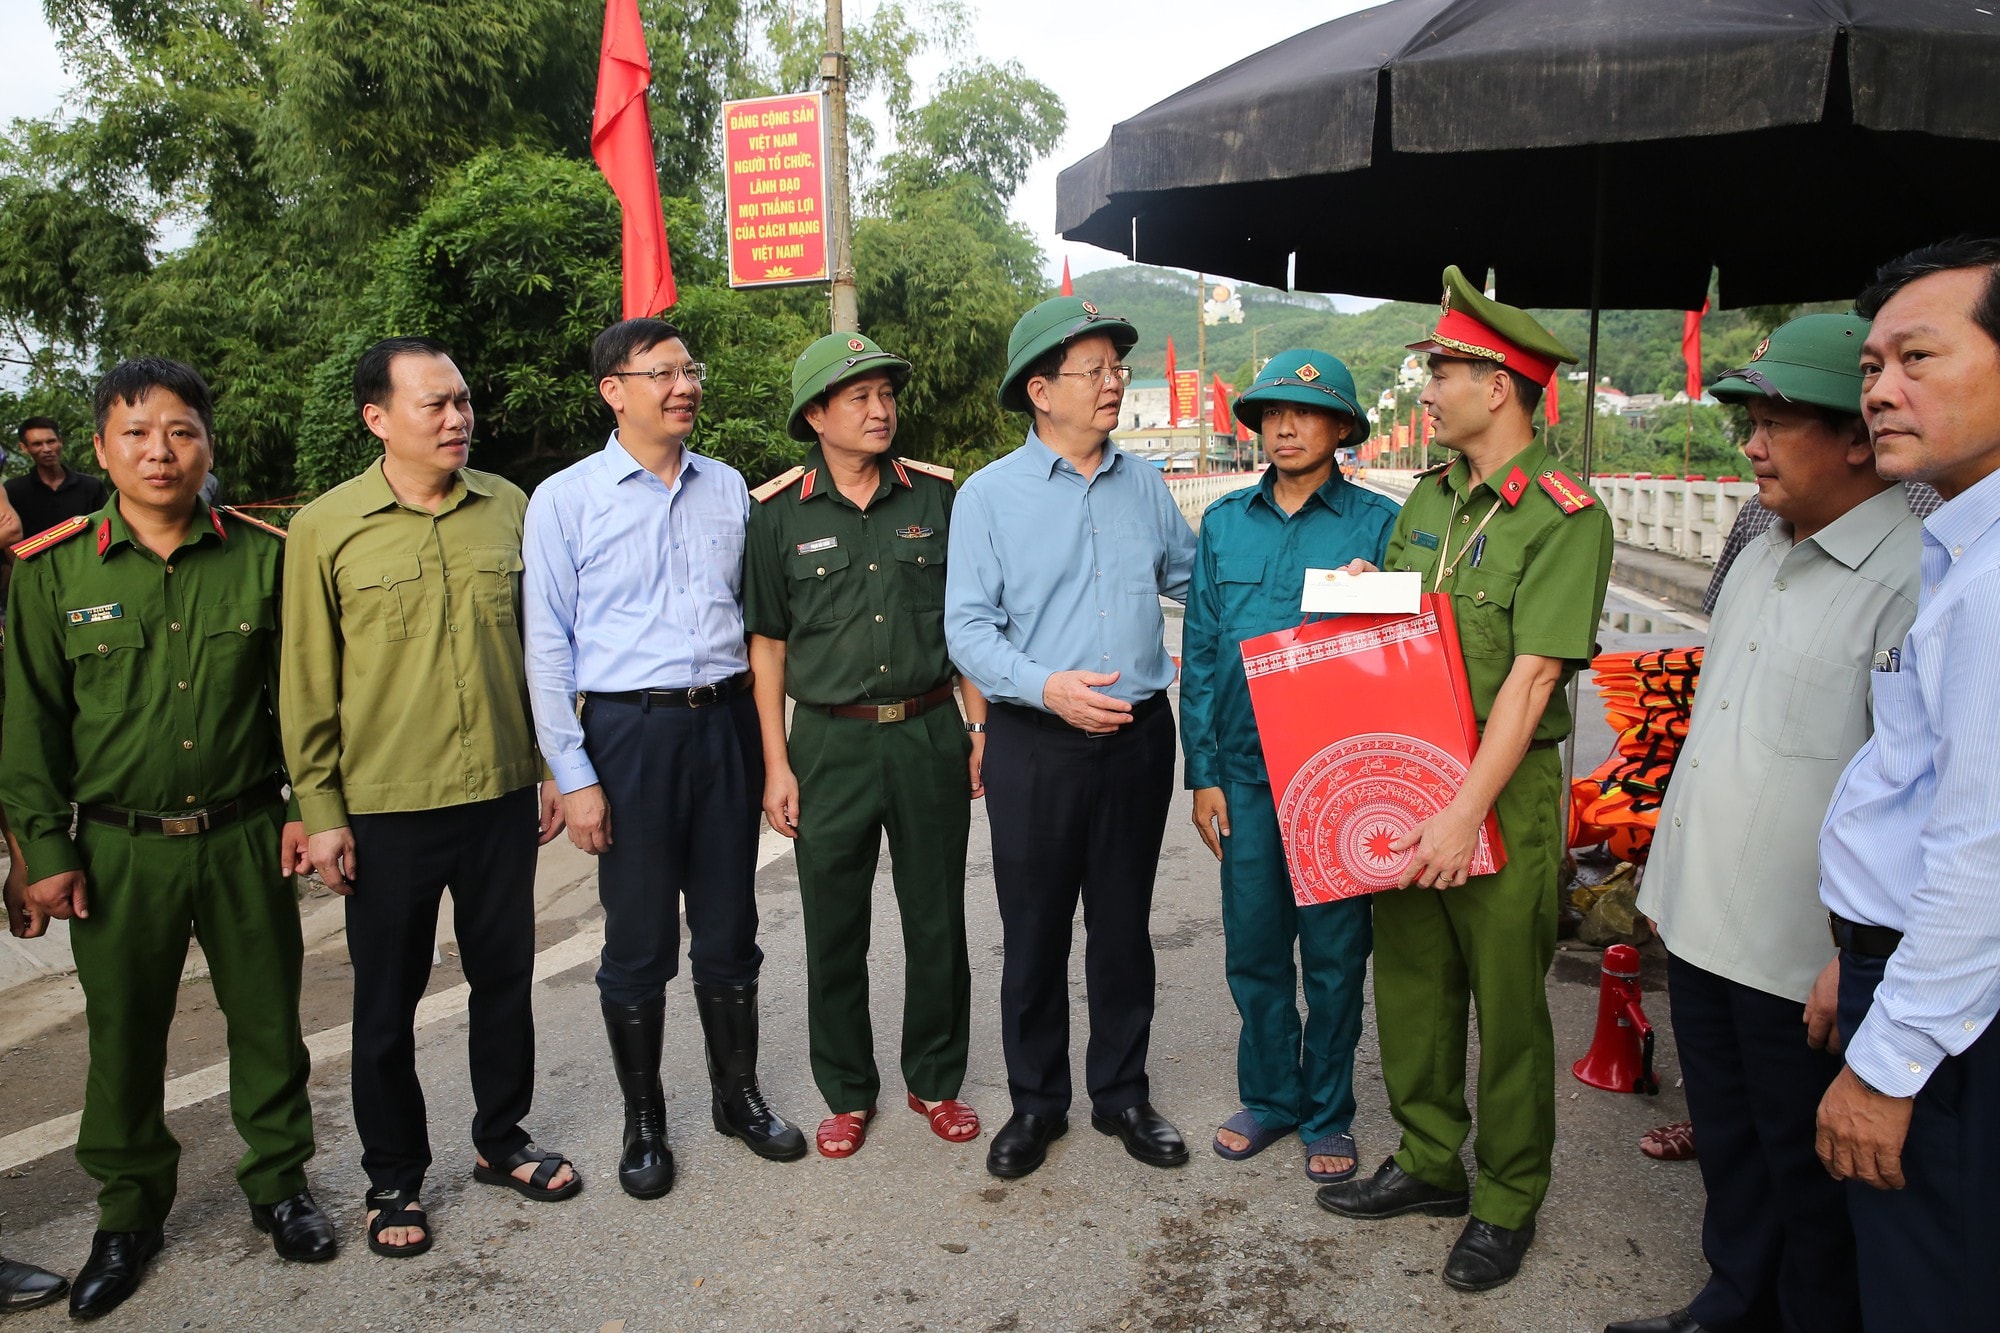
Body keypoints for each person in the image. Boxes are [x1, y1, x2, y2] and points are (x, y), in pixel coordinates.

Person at [1606, 315, 1921, 1333]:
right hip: (1703, 921)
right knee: (1734, 1145)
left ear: (1855, 439)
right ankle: (1730, 1300)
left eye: (1775, 421)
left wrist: (1858, 955)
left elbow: (1920, 793)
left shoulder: (1915, 577)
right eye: (1748, 418)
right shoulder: (1755, 550)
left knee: (1810, 1176)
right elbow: (1714, 740)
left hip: (1803, 954)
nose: (1750, 443)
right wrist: (1662, 885)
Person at [0, 358, 332, 1319]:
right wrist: (42, 852)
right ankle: (129, 1212)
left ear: (207, 446)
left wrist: (310, 804)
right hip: (117, 850)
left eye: (181, 430)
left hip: (244, 832)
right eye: (137, 432)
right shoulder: (54, 571)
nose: (160, 450)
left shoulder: (262, 557)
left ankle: (279, 1186)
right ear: (101, 448)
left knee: (269, 1022)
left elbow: (299, 702)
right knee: (125, 1036)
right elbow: (29, 723)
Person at [1316, 267, 1612, 1293]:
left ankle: (1506, 1196)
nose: (1427, 389)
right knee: (1409, 982)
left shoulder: (1563, 516)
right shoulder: (1429, 502)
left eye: (1441, 369)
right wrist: (1365, 594)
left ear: (1500, 384)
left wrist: (1460, 816)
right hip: (1407, 775)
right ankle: (1432, 1159)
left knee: (1508, 1007)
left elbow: (1529, 683)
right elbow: (1409, 630)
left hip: (1499, 790)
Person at [281, 337, 576, 1260]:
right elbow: (305, 680)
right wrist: (321, 811)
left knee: (504, 979)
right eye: (434, 405)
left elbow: (541, 651)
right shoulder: (325, 528)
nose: (457, 419)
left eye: (462, 401)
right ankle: (393, 1176)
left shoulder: (509, 509)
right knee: (388, 1000)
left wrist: (553, 764)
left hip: (497, 793)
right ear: (376, 417)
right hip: (385, 806)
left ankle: (502, 1138)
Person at [524, 317, 805, 1196]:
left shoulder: (730, 491)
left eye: (691, 370)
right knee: (639, 941)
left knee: (731, 929)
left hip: (721, 725)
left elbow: (761, 630)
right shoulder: (566, 499)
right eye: (663, 373)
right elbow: (547, 648)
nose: (684, 386)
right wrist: (574, 776)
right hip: (628, 734)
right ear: (614, 389)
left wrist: (770, 753)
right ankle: (643, 1120)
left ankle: (737, 1096)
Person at [945, 295, 1198, 1180]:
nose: (1114, 385)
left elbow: (1194, 579)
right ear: (1041, 390)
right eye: (1096, 371)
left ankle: (1122, 1091)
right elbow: (968, 630)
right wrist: (1046, 686)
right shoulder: (988, 497)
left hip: (1135, 738)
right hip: (1034, 742)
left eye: (1118, 370)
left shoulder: (1145, 484)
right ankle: (1035, 1101)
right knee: (1037, 925)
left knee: (1125, 922)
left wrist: (1323, 587)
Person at [1814, 237, 2000, 1333]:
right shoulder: (1958, 544)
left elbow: (1980, 851)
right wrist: (1855, 956)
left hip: (1946, 1017)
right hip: (1898, 971)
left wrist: (1886, 1066)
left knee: (1927, 1287)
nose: (1879, 390)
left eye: (1916, 358)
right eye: (1872, 366)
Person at [744, 332, 987, 1158]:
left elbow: (965, 626)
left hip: (927, 730)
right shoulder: (777, 514)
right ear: (816, 415)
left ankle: (936, 1079)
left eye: (886, 394)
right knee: (834, 925)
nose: (880, 410)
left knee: (936, 917)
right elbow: (768, 644)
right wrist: (776, 761)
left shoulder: (935, 500)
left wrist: (976, 725)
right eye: (859, 397)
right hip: (828, 743)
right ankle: (847, 1090)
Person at [1180, 350, 1398, 1186]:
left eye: (1305, 413)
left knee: (1338, 952)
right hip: (1243, 773)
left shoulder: (1377, 525)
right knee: (1256, 944)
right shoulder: (1226, 523)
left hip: (1336, 775)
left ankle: (1328, 1109)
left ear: (1341, 427)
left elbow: (1404, 650)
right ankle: (1270, 1095)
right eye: (1271, 412)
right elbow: (1200, 652)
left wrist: (1386, 590)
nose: (1284, 425)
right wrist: (1202, 771)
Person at [7, 418, 107, 542]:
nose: (46, 449)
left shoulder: (91, 486)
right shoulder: (14, 491)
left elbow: (105, 528)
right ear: (24, 448)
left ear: (60, 441)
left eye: (51, 441)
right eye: (37, 444)